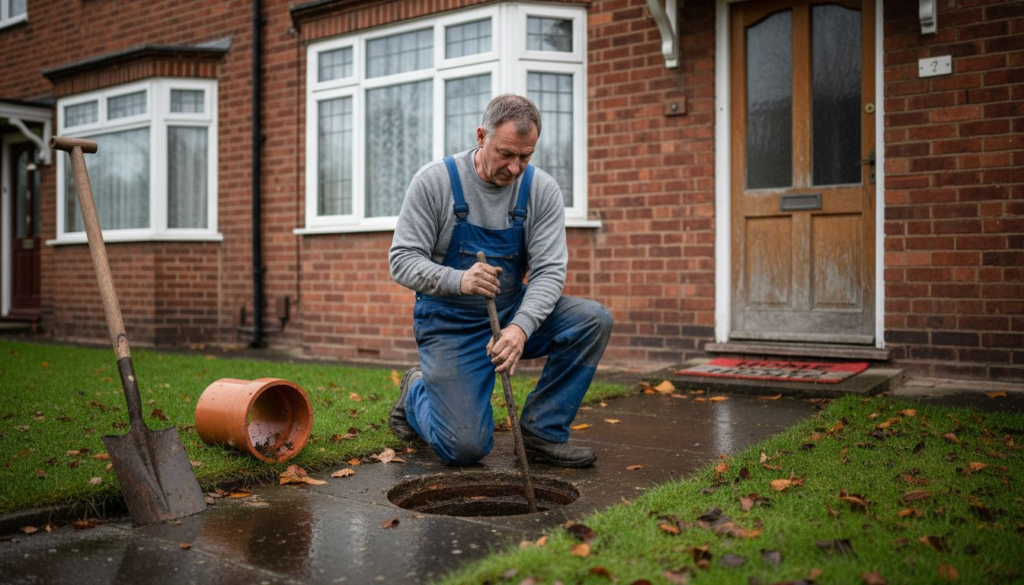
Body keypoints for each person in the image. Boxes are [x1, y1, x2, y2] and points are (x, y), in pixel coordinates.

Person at [388, 94, 612, 468]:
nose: (515, 168)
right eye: (506, 154)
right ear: (481, 136)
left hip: (509, 312)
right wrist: (459, 280)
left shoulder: (540, 190)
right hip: (450, 324)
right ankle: (416, 391)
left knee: (592, 319)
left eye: (525, 156)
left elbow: (549, 271)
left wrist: (521, 328)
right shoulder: (435, 182)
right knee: (465, 448)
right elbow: (402, 260)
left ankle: (543, 433)